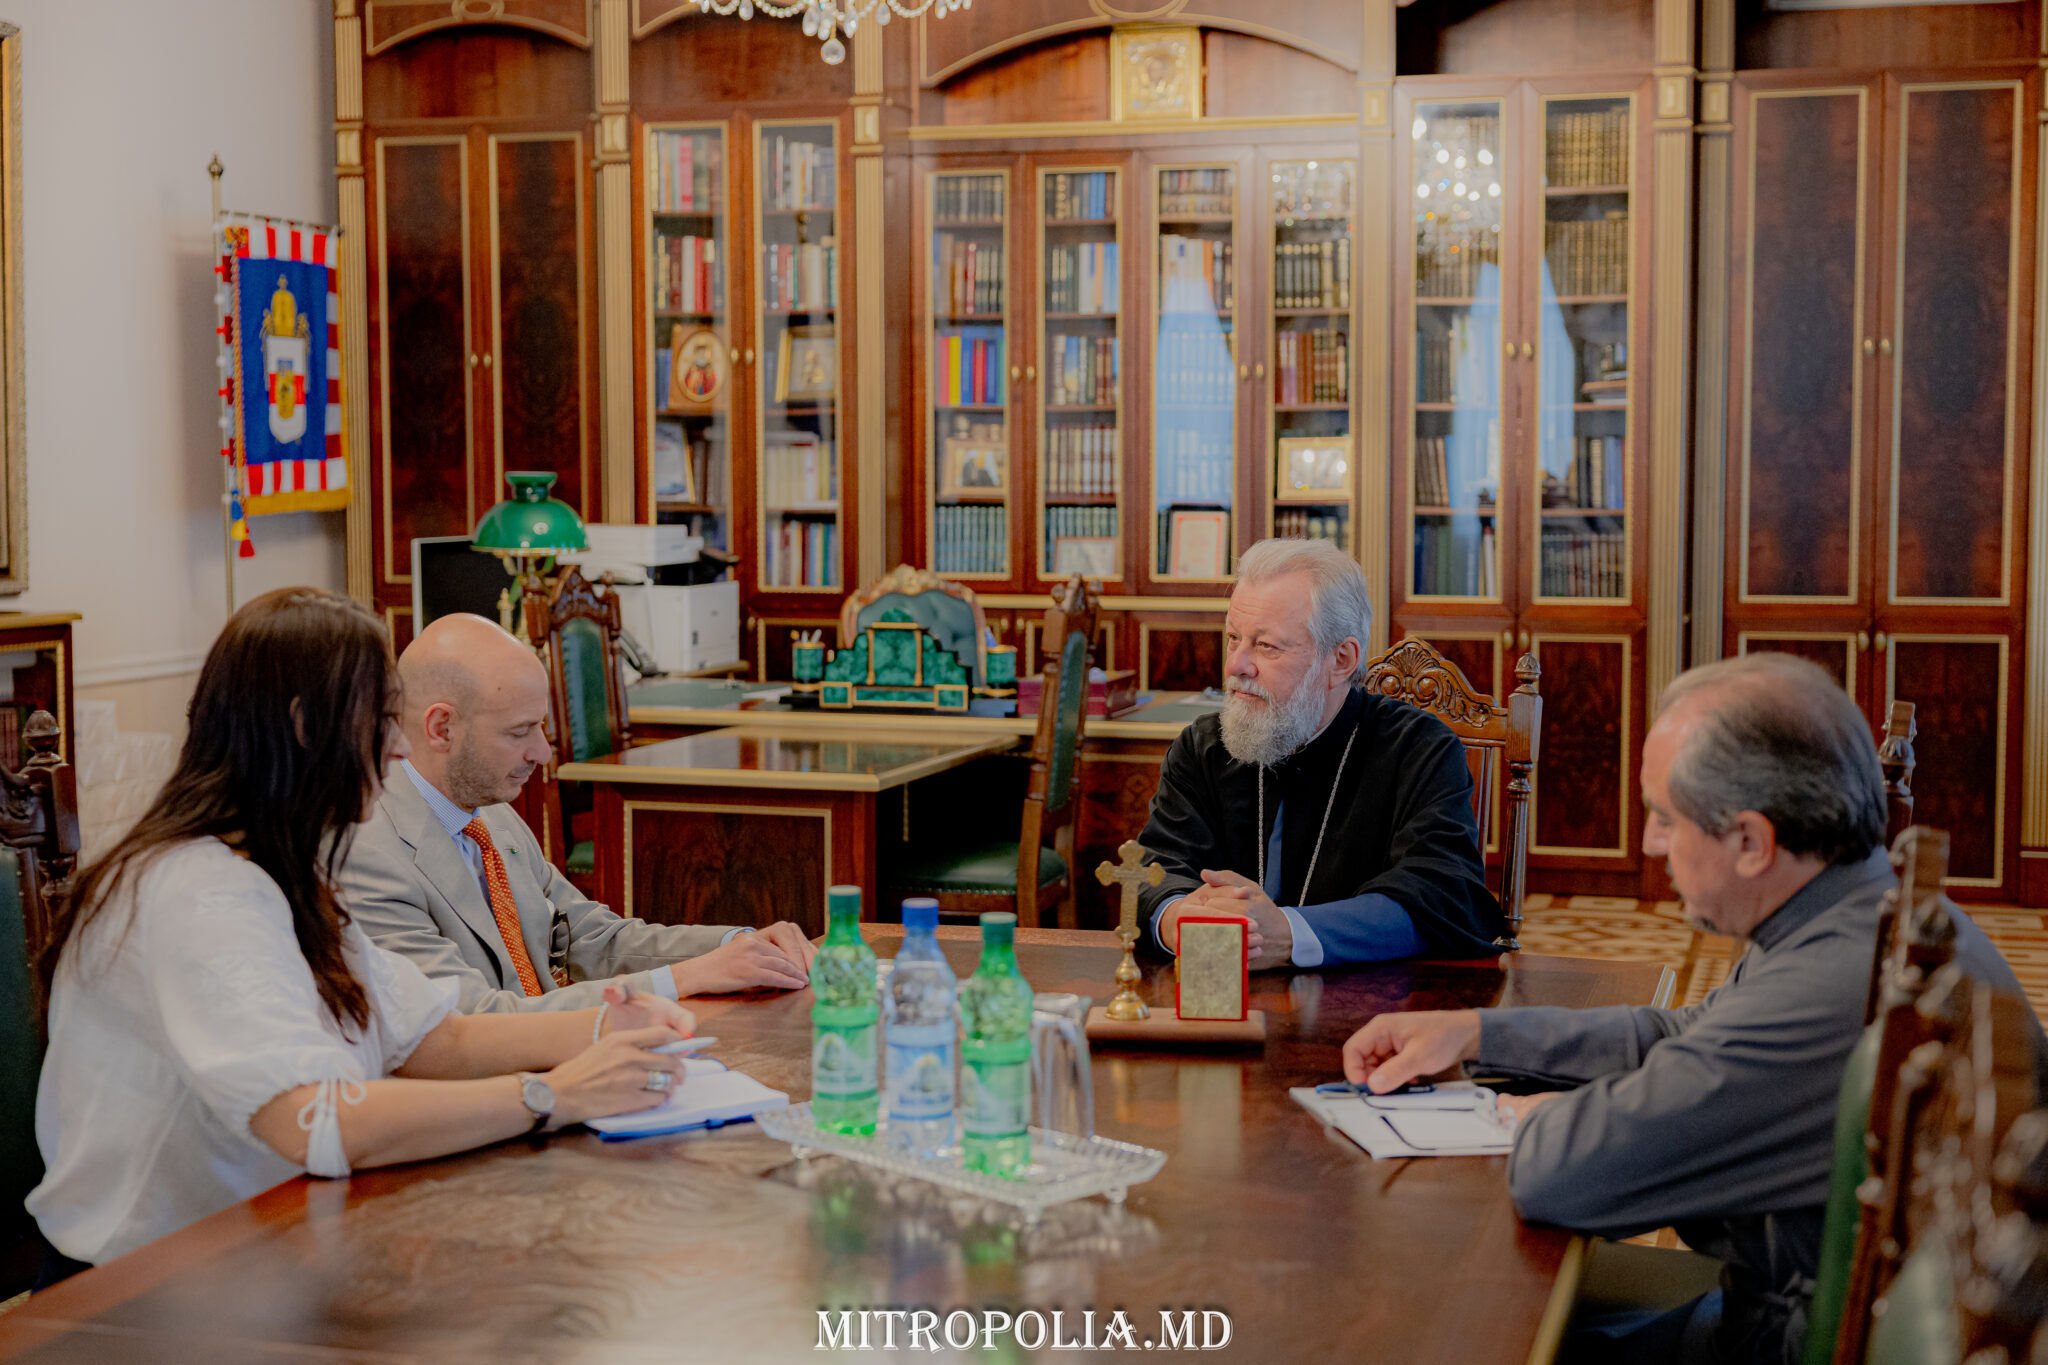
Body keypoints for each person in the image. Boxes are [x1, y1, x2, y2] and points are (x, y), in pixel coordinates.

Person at [1341, 652, 2048, 1365]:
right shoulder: (1856, 910)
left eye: (1663, 817)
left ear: (1751, 842)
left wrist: (1528, 1116)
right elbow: (1686, 1033)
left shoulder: (1822, 990)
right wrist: (1475, 1032)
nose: (1651, 843)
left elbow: (1561, 1173)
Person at [30, 588, 698, 1275]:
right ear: (305, 726)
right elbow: (317, 1121)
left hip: (270, 1245)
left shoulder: (281, 868)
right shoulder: (197, 891)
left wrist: (608, 1028)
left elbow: (434, 1037)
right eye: (382, 719)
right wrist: (554, 1094)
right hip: (146, 1286)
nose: (401, 745)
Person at [340, 613, 816, 1014]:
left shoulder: (488, 814)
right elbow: (475, 1020)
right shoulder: (367, 855)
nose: (542, 752)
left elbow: (592, 939)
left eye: (541, 727)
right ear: (442, 727)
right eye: (520, 731)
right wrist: (687, 978)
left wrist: (739, 945)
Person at [1136, 537, 1502, 967]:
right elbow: (1153, 868)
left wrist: (1289, 934)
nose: (1236, 665)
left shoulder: (1419, 750)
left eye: (1266, 646)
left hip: (1371, 1000)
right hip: (1221, 991)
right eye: (1234, 638)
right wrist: (1177, 917)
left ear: (1341, 660)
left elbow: (1443, 894)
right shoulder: (1203, 746)